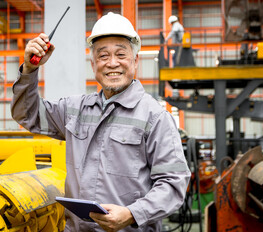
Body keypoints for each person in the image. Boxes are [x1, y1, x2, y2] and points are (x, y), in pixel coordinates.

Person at [11, 12, 191, 232]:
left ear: (135, 61)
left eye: (120, 54)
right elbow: (26, 114)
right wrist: (29, 70)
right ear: (93, 63)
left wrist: (132, 213)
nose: (112, 63)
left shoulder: (154, 117)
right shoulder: (74, 110)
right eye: (103, 56)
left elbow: (173, 184)